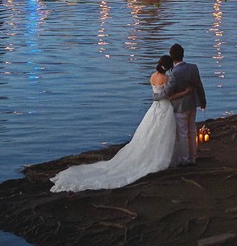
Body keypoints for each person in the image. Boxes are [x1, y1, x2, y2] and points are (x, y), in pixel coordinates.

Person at [50, 55, 191, 193]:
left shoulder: (153, 77)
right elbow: (168, 96)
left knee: (151, 132)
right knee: (164, 133)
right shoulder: (166, 79)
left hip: (154, 108)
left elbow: (156, 94)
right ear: (169, 67)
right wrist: (185, 92)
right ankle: (164, 157)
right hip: (164, 107)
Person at [165, 43, 206, 166]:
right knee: (192, 131)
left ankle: (185, 159)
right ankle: (193, 157)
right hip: (193, 104)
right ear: (183, 54)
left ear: (172, 57)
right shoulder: (193, 67)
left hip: (180, 107)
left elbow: (168, 91)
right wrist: (203, 101)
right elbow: (199, 85)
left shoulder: (174, 73)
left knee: (182, 133)